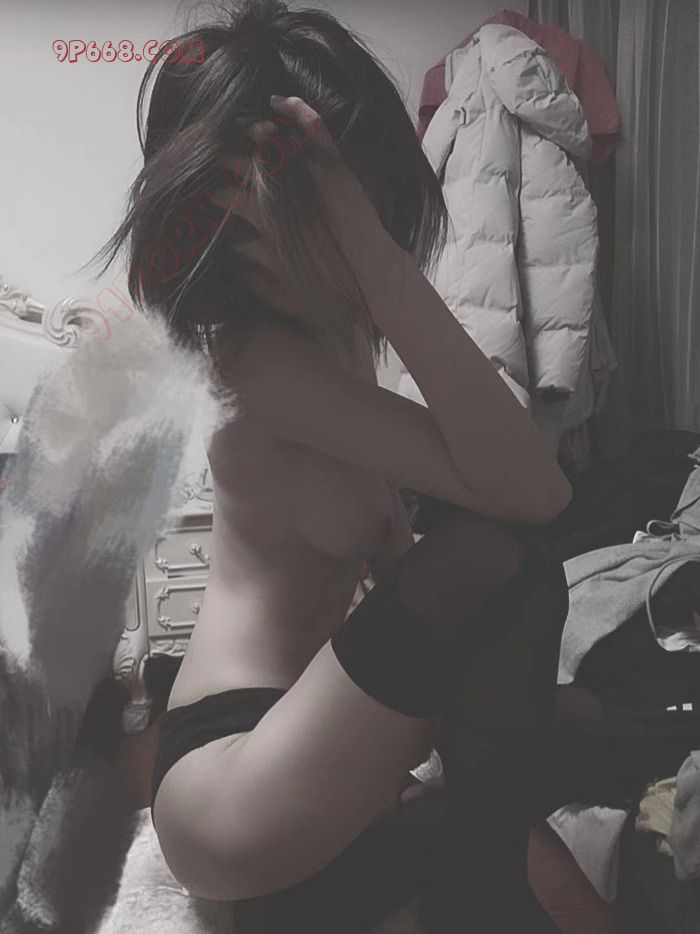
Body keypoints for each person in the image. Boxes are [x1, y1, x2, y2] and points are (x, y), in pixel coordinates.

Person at [89, 2, 576, 930]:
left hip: (301, 742)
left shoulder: (334, 340)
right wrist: (381, 268)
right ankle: (479, 900)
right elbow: (533, 497)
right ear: (240, 213)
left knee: (555, 723)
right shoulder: (254, 363)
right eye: (341, 208)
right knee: (503, 559)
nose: (368, 229)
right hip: (230, 779)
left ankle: (346, 889)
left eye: (368, 207)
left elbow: (441, 523)